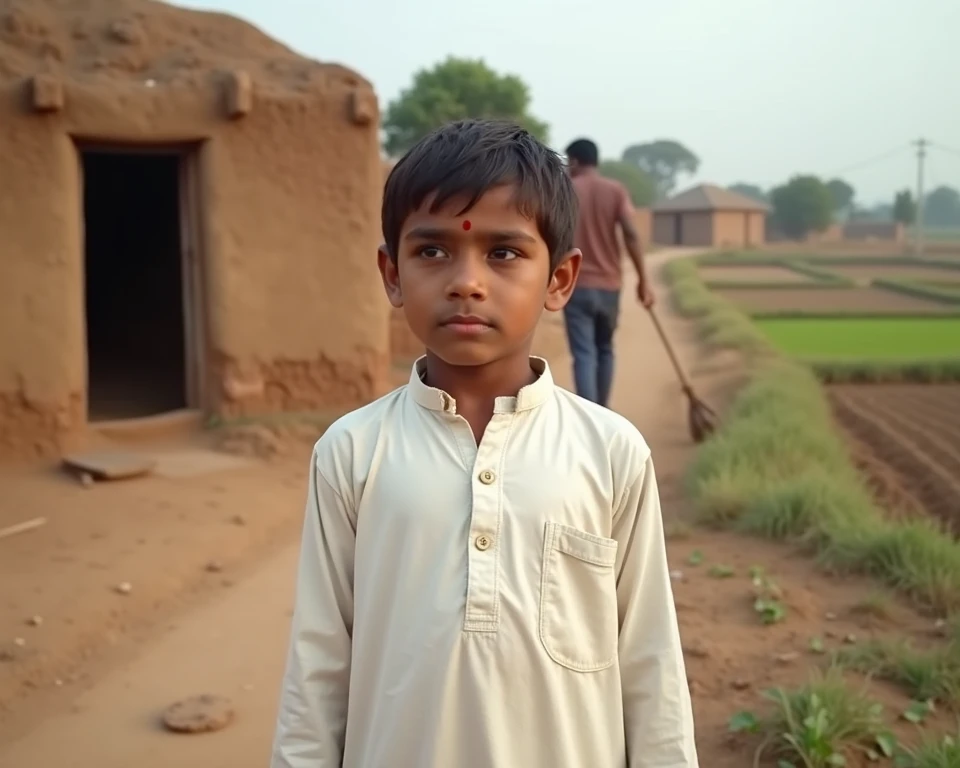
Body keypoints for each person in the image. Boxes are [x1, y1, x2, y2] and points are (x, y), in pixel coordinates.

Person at [270, 118, 698, 768]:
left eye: (503, 253)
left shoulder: (611, 453)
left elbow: (651, 665)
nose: (466, 281)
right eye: (432, 251)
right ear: (391, 273)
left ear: (559, 279)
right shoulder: (352, 453)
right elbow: (318, 664)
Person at [563, 138, 653, 407]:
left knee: (583, 353)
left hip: (575, 284)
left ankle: (588, 415)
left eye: (568, 162)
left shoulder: (565, 191)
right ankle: (603, 412)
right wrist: (643, 281)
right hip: (610, 286)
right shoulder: (615, 190)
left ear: (576, 161)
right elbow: (631, 234)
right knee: (605, 349)